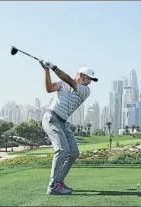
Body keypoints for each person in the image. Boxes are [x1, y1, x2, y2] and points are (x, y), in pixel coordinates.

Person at [39, 60, 98, 195]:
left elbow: (70, 81)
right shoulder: (64, 84)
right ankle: (53, 186)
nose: (90, 82)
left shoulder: (85, 90)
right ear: (81, 75)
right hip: (52, 118)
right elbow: (49, 88)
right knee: (62, 149)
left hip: (63, 123)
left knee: (73, 152)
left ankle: (58, 181)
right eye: (89, 78)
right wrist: (46, 71)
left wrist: (53, 67)